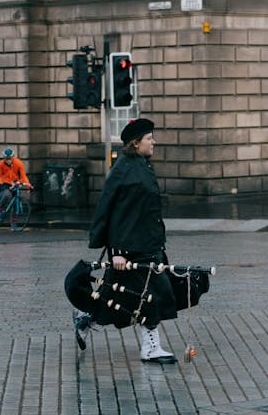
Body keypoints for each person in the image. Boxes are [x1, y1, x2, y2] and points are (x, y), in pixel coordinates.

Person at [87, 118, 177, 364]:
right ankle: (150, 348)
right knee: (142, 296)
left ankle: (86, 320)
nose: (153, 142)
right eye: (149, 138)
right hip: (129, 249)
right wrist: (116, 250)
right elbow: (111, 211)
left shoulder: (142, 165)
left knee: (132, 296)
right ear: (136, 143)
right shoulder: (123, 169)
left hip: (148, 245)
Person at [0, 147, 31, 222]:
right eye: (6, 159)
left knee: (15, 199)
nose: (8, 160)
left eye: (10, 158)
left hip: (15, 182)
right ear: (4, 158)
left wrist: (29, 185)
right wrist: (0, 182)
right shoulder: (1, 164)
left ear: (13, 157)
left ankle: (14, 220)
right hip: (5, 183)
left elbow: (23, 175)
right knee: (7, 194)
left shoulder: (18, 163)